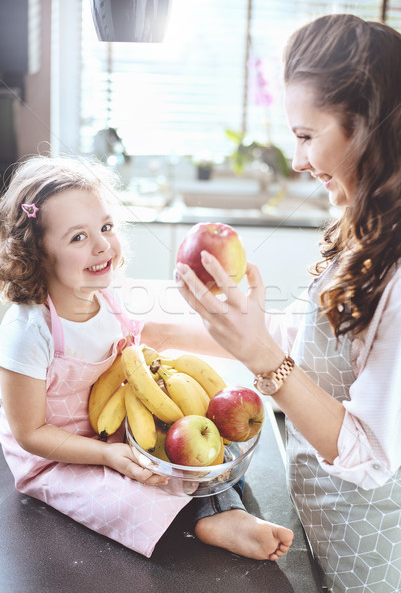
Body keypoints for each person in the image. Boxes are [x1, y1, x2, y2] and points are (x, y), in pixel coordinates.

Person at [175, 14, 401, 593]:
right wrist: (151, 328)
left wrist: (260, 356)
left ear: (368, 127)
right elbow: (304, 345)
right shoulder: (364, 229)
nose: (297, 160)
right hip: (320, 524)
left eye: (307, 136)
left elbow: (367, 452)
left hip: (372, 558)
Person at [0, 155, 294, 561]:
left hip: (123, 431)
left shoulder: (110, 298)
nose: (103, 244)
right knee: (126, 498)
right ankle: (210, 520)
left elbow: (158, 334)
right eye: (78, 238)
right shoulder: (29, 331)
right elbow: (29, 432)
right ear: (36, 254)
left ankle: (223, 508)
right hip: (60, 455)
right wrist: (106, 455)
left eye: (105, 227)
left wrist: (250, 343)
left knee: (208, 455)